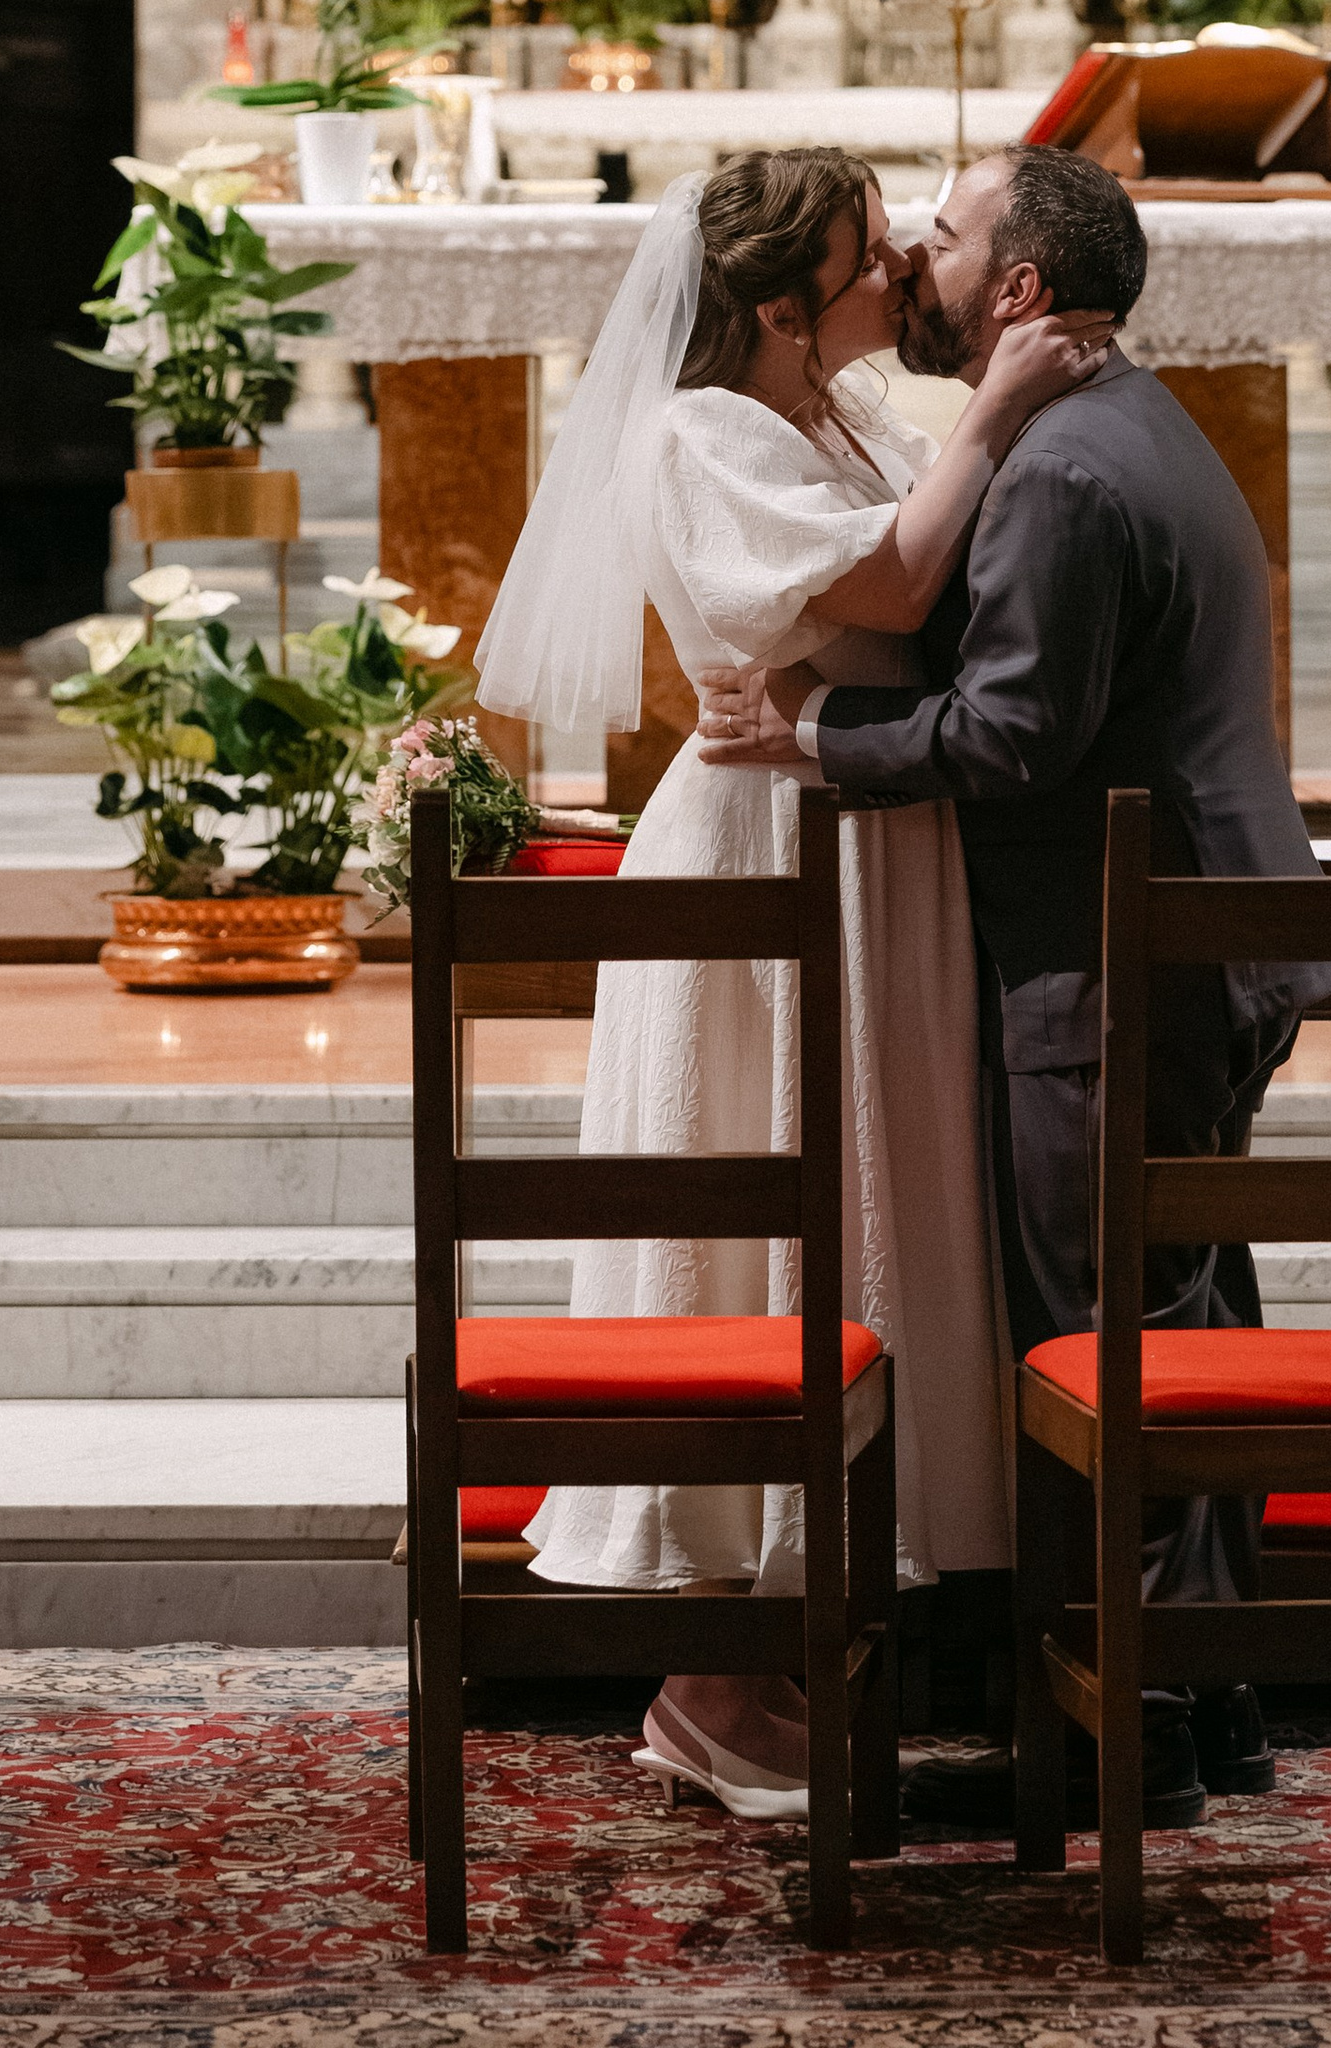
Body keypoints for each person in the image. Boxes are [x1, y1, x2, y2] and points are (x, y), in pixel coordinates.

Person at [699, 144, 1331, 1833]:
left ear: (1017, 288)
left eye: (940, 238)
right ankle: (1209, 1694)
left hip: (1119, 959)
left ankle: (1135, 1722)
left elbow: (1009, 735)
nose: (910, 260)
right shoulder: (1123, 416)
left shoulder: (1059, 466)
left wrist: (813, 728)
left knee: (1107, 1338)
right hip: (1189, 939)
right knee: (1186, 1316)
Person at [470, 146, 1110, 1822]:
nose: (896, 266)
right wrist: (997, 412)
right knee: (766, 1218)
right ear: (776, 306)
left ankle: (797, 1645)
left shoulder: (839, 414)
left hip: (867, 839)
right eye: (865, 252)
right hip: (767, 852)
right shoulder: (703, 431)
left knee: (857, 1206)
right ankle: (709, 1680)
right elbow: (889, 585)